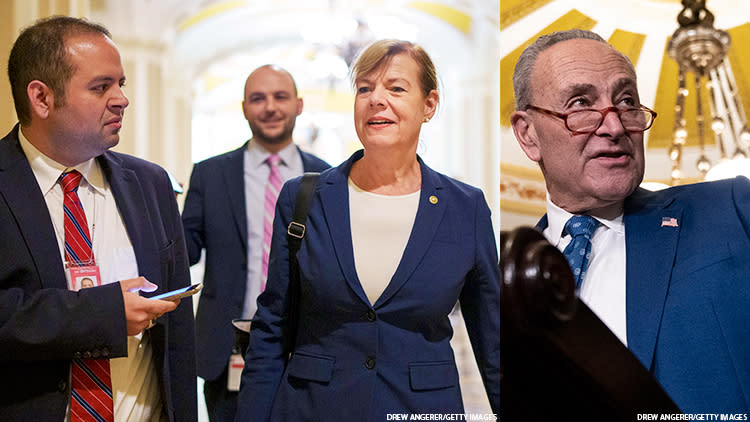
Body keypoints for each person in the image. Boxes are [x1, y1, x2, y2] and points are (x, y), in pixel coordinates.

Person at [235, 39, 500, 421]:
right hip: (313, 408)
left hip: (420, 409)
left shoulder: (465, 208)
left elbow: (493, 338)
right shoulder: (303, 197)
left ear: (429, 105)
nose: (376, 99)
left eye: (395, 87)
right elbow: (272, 326)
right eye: (364, 88)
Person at [510, 29, 750, 412]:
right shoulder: (506, 280)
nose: (615, 126)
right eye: (581, 104)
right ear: (528, 134)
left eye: (626, 101)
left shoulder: (734, 208)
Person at [0, 16, 197, 421]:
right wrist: (103, 315)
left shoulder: (150, 184)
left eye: (120, 84)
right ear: (41, 98)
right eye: (100, 87)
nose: (121, 99)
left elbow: (177, 341)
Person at [181, 64, 329, 421]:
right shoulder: (210, 174)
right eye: (257, 98)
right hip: (228, 348)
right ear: (245, 107)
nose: (270, 107)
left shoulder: (327, 176)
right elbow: (184, 249)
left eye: (280, 97)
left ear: (299, 104)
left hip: (308, 346)